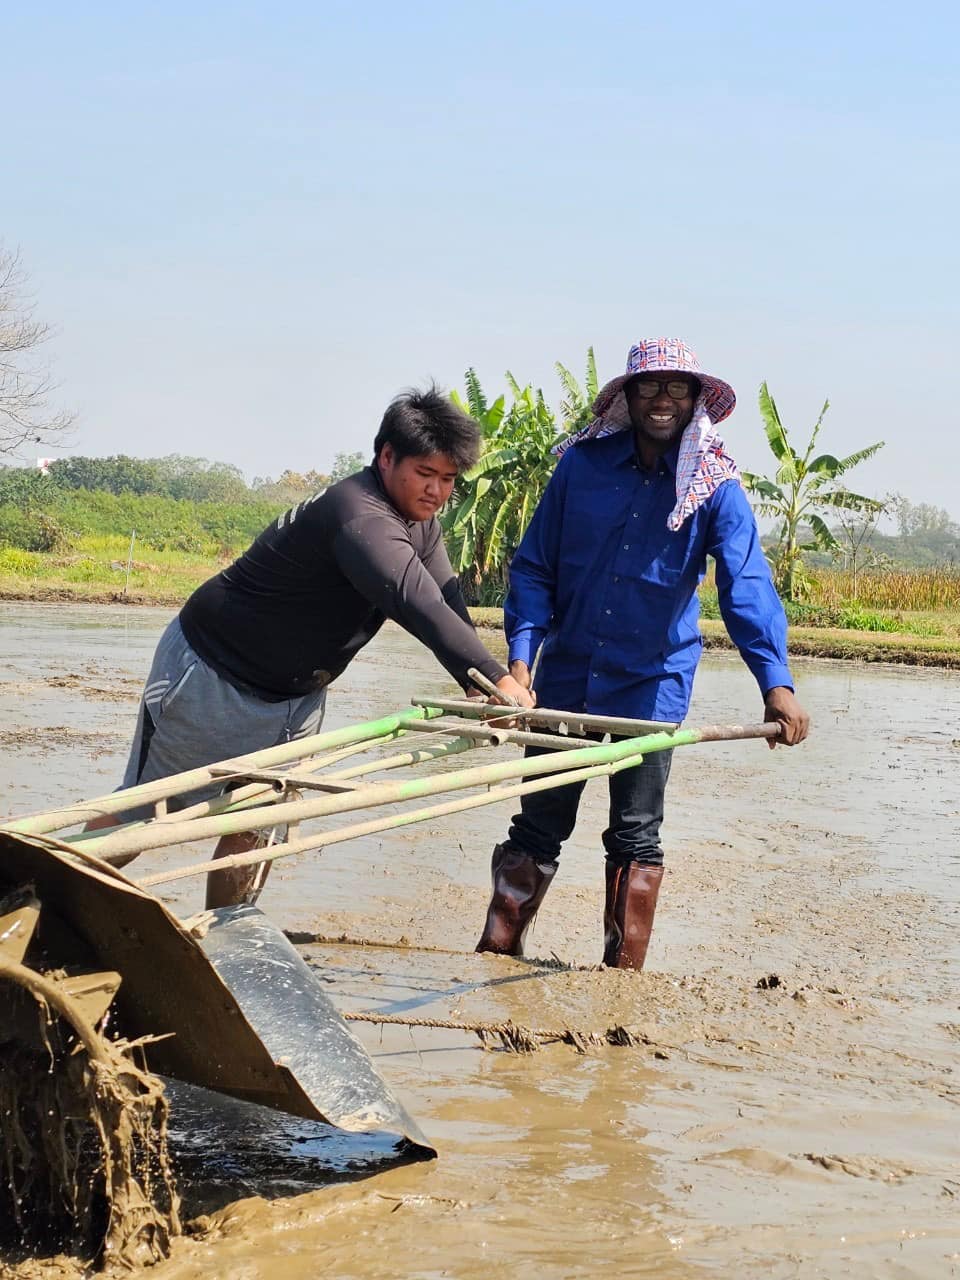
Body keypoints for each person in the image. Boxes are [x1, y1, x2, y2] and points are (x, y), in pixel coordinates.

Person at [92, 387, 533, 906]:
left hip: (295, 698)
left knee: (259, 824)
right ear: (386, 457)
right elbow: (414, 603)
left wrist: (481, 685)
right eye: (425, 474)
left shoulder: (420, 522)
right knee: (146, 816)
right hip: (214, 675)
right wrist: (495, 677)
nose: (436, 491)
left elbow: (445, 599)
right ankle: (27, 887)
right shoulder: (360, 517)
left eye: (448, 479)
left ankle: (230, 935)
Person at [476, 338, 810, 969]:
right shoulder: (582, 467)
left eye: (676, 389)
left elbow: (747, 587)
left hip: (649, 686)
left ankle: (620, 976)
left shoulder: (717, 487)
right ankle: (496, 950)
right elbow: (534, 567)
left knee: (635, 833)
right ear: (626, 399)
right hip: (566, 680)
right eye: (648, 388)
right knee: (538, 824)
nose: (662, 400)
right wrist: (520, 662)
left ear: (695, 401)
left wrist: (777, 684)